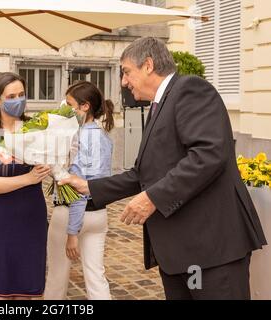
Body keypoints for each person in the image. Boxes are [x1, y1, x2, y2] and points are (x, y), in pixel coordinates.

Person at [61, 37, 267, 300]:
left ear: (148, 65)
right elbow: (143, 174)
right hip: (180, 253)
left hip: (211, 250)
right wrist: (89, 186)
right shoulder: (159, 105)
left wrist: (153, 198)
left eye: (126, 72)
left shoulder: (191, 89)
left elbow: (208, 154)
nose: (123, 82)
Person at [0, 72, 51, 299]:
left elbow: (50, 161)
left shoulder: (35, 128)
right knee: (0, 293)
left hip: (30, 217)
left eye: (21, 95)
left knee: (27, 290)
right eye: (11, 96)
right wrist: (29, 178)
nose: (18, 100)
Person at [44, 82, 114, 300]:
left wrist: (72, 233)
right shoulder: (103, 136)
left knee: (57, 276)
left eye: (71, 105)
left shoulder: (79, 137)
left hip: (71, 216)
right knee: (96, 277)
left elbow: (81, 187)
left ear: (85, 107)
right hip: (99, 216)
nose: (68, 110)